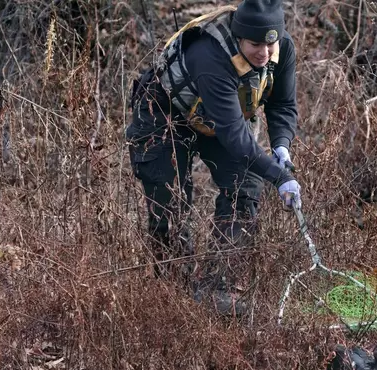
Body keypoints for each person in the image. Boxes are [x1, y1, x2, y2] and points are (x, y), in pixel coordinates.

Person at [125, 0, 302, 316]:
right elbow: (235, 135)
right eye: (255, 44)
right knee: (170, 200)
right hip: (164, 113)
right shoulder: (210, 54)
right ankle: (175, 295)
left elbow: (283, 106)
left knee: (245, 188)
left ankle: (219, 290)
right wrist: (280, 176)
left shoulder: (281, 49)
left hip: (216, 121)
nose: (264, 52)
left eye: (270, 43)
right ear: (239, 37)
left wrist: (282, 149)